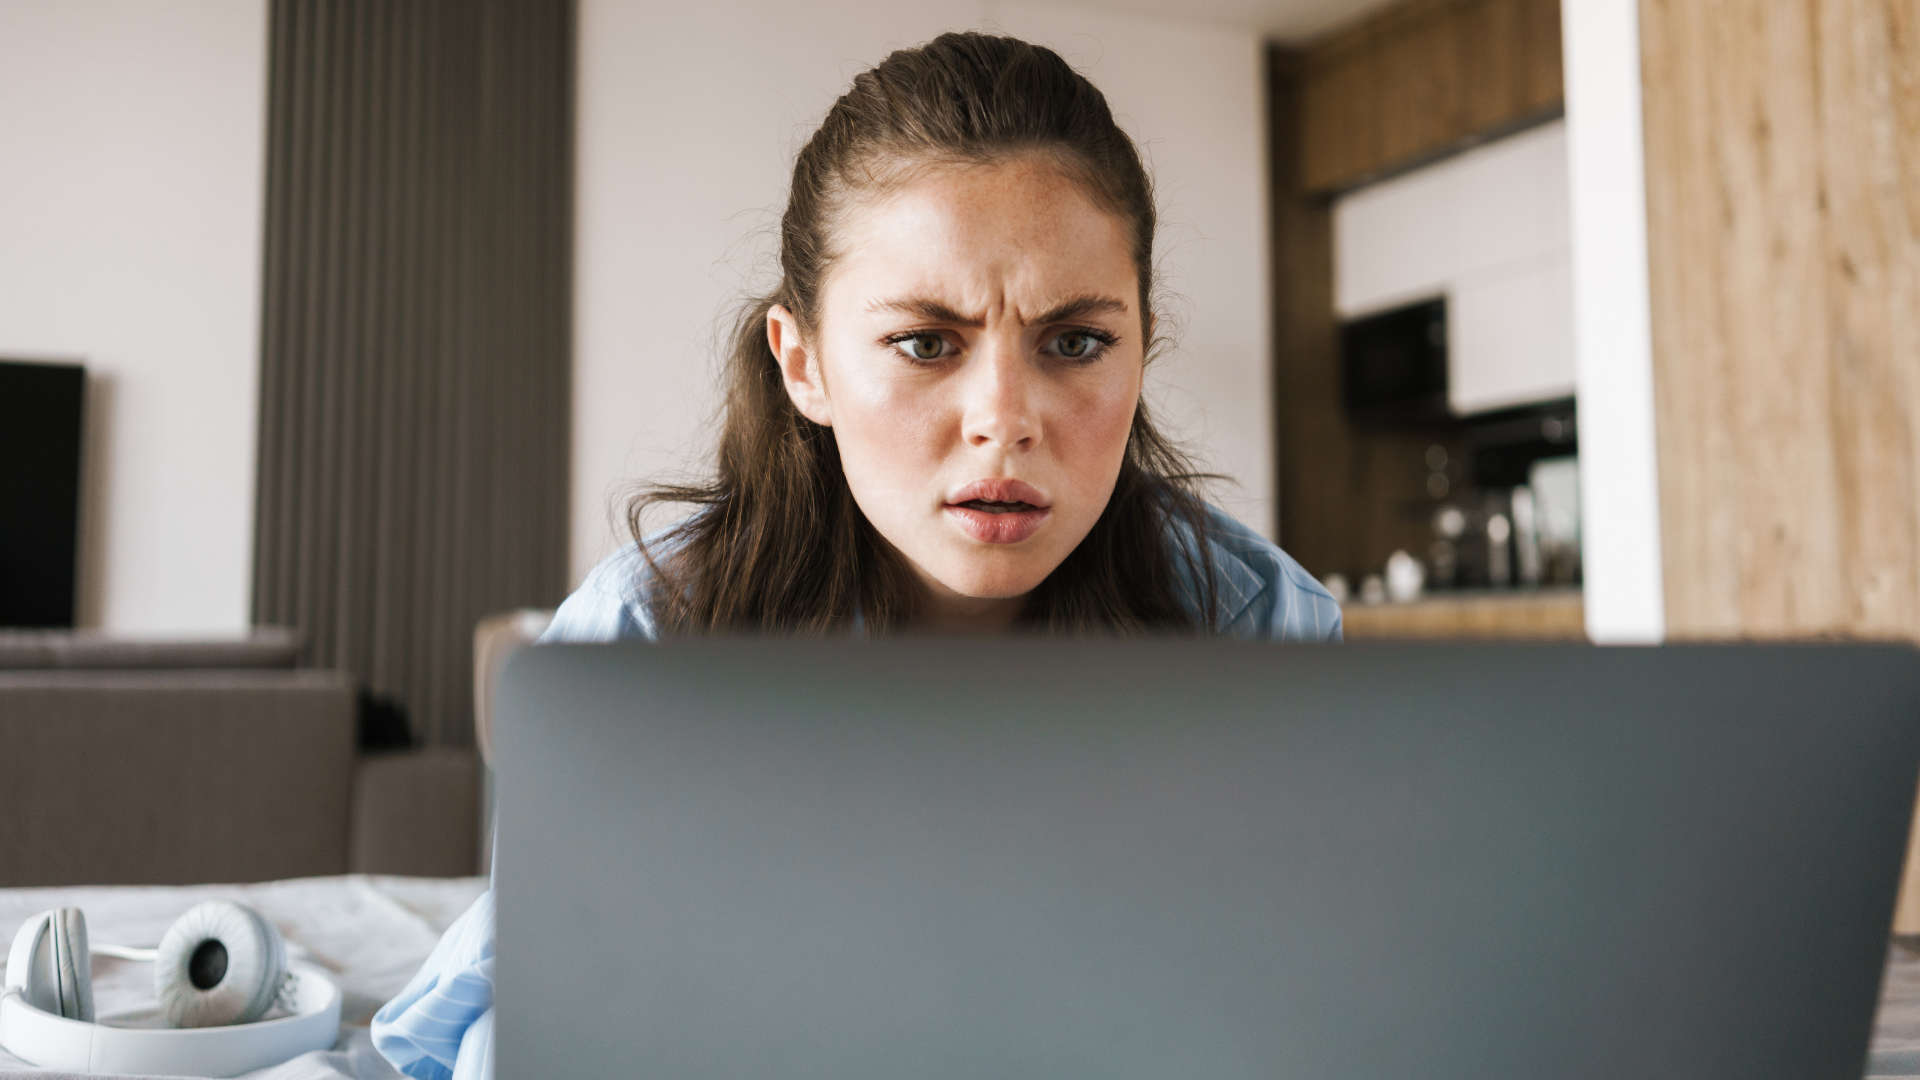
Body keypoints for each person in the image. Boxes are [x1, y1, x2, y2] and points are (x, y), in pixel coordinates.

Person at [372, 30, 1340, 1080]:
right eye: (927, 344)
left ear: (1140, 348)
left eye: (1075, 343)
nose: (1004, 420)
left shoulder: (1262, 633)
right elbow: (498, 1033)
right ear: (806, 366)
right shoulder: (646, 644)